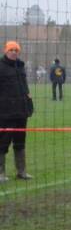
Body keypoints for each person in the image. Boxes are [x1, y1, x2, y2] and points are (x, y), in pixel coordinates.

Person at [0, 41, 34, 181]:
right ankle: (1, 173)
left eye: (16, 50)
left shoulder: (21, 66)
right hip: (6, 113)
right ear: (6, 51)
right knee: (2, 143)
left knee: (20, 142)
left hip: (21, 112)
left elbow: (25, 88)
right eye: (11, 50)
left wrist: (29, 103)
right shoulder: (1, 67)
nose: (14, 52)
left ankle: (22, 171)